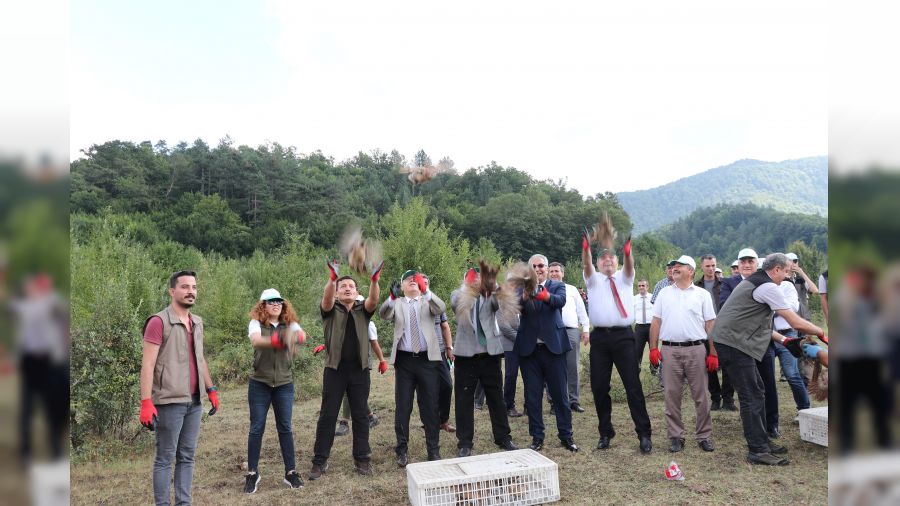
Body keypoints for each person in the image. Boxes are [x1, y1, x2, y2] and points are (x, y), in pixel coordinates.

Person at [711, 253, 825, 465]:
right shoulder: (767, 286)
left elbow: (762, 324)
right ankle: (757, 450)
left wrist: (785, 341)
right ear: (776, 270)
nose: (787, 276)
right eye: (786, 272)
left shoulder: (758, 283)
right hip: (732, 344)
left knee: (758, 391)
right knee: (751, 395)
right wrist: (821, 331)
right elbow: (794, 320)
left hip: (734, 342)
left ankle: (762, 440)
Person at [139, 270, 219, 506]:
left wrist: (211, 388)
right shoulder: (158, 322)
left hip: (194, 402)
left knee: (187, 457)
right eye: (184, 287)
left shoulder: (197, 322)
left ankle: (184, 503)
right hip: (168, 401)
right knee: (165, 458)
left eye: (194, 287)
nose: (190, 291)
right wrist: (146, 402)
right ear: (172, 291)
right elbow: (148, 365)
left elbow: (200, 358)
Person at [308, 261, 383, 480]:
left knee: (360, 415)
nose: (347, 288)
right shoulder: (330, 310)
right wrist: (333, 279)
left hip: (359, 371)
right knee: (328, 416)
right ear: (338, 293)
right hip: (335, 370)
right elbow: (326, 298)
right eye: (343, 287)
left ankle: (362, 460)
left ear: (357, 292)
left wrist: (375, 280)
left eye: (351, 286)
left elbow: (374, 299)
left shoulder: (363, 310)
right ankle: (319, 462)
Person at [581, 236, 652, 454]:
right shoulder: (592, 279)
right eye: (603, 259)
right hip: (600, 338)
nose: (608, 261)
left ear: (617, 262)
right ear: (598, 263)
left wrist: (627, 252)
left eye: (611, 257)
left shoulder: (625, 277)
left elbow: (629, 264)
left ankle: (644, 433)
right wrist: (586, 249)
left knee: (633, 386)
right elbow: (586, 263)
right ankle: (605, 431)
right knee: (599, 387)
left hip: (623, 337)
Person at [648, 255, 717, 453]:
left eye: (680, 266)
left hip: (696, 349)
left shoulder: (702, 294)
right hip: (669, 350)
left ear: (691, 271)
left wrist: (713, 352)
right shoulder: (663, 294)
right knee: (671, 394)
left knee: (702, 395)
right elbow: (656, 322)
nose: (675, 268)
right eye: (673, 266)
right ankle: (676, 436)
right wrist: (653, 348)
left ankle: (704, 435)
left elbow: (710, 324)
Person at [380, 269, 448, 466]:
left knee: (429, 405)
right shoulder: (398, 303)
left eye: (414, 278)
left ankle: (433, 449)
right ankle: (401, 450)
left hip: (428, 360)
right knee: (403, 406)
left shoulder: (428, 301)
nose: (412, 280)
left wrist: (426, 290)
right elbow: (384, 314)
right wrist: (392, 297)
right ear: (401, 287)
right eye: (407, 279)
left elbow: (441, 307)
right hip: (405, 361)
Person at [243, 288, 307, 493]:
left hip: (284, 385)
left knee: (285, 428)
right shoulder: (256, 323)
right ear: (263, 305)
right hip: (259, 384)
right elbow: (256, 340)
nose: (276, 304)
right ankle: (252, 473)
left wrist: (295, 337)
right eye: (271, 301)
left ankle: (290, 473)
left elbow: (301, 336)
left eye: (279, 301)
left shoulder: (289, 323)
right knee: (256, 428)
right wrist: (279, 340)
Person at [450, 267, 518, 456]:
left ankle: (503, 437)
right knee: (464, 400)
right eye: (472, 278)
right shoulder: (458, 294)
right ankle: (465, 443)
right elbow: (457, 303)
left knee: (496, 398)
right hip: (466, 356)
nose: (476, 280)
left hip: (491, 355)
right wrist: (468, 287)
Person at [515, 254, 578, 453]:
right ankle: (537, 438)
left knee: (560, 396)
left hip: (554, 348)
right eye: (534, 266)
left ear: (547, 267)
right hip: (529, 350)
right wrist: (526, 293)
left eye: (541, 265)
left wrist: (545, 295)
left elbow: (560, 301)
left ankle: (566, 436)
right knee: (532, 397)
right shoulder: (521, 286)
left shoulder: (556, 285)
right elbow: (515, 303)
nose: (538, 269)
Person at [6, 274, 69, 465]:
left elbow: (61, 313)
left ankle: (55, 449)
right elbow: (10, 308)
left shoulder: (52, 302)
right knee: (27, 408)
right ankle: (25, 453)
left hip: (48, 361)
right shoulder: (23, 306)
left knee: (52, 407)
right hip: (29, 361)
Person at [722, 248, 779, 434]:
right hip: (739, 343)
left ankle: (771, 426)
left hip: (764, 341)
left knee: (767, 385)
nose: (747, 265)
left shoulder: (769, 283)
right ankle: (756, 434)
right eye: (743, 262)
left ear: (758, 264)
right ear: (737, 265)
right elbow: (726, 308)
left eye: (750, 261)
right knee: (750, 391)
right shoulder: (730, 283)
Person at [547, 262, 590, 413]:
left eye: (556, 271)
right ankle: (554, 402)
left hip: (571, 330)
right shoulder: (544, 289)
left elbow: (581, 310)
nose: (554, 274)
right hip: (551, 332)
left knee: (572, 367)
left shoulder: (571, 289)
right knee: (552, 367)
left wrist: (585, 329)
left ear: (562, 273)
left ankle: (573, 401)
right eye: (551, 271)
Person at [694, 254, 734, 412]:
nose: (711, 269)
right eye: (708, 266)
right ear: (701, 267)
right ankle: (715, 398)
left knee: (728, 365)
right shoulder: (696, 286)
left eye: (713, 265)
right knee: (709, 366)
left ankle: (728, 399)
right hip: (703, 329)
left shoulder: (725, 283)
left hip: (724, 328)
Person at [335, 315, 384, 436]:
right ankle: (371, 417)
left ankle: (344, 422)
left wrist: (382, 360)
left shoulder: (369, 323)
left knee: (351, 391)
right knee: (352, 392)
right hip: (346, 361)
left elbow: (374, 343)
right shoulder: (345, 320)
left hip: (362, 362)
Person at [771, 275, 812, 419]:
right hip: (767, 335)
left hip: (787, 333)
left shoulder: (786, 285)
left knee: (791, 374)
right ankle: (769, 415)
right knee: (767, 377)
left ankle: (804, 410)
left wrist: (771, 307)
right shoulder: (761, 287)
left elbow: (793, 307)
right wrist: (780, 307)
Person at [632, 279, 656, 376]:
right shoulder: (634, 298)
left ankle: (654, 370)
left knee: (653, 349)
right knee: (637, 350)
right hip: (639, 328)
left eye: (643, 285)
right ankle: (636, 370)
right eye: (639, 286)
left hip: (651, 327)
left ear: (647, 287)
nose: (641, 287)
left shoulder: (653, 297)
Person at [786, 253, 819, 320]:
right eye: (790, 261)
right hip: (789, 319)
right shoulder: (781, 280)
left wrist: (802, 273)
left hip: (804, 317)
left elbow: (815, 291)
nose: (793, 264)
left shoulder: (801, 280)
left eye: (795, 261)